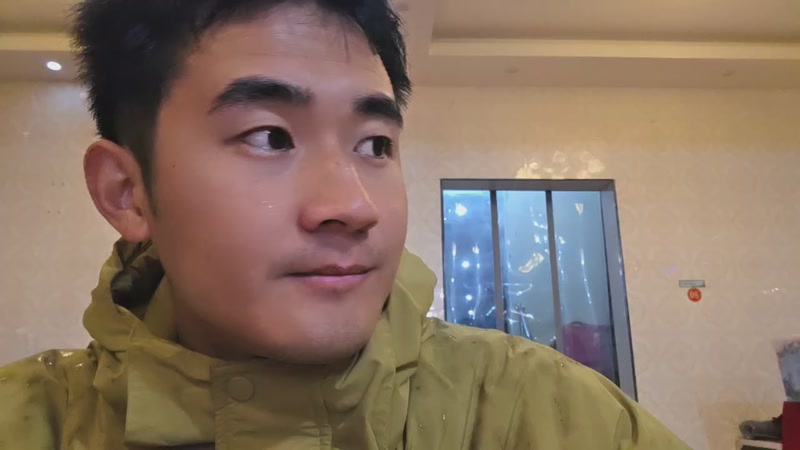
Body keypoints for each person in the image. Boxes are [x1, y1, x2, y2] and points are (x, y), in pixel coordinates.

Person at [0, 1, 691, 449]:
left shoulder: (537, 412)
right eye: (270, 137)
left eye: (375, 145)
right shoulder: (33, 421)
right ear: (126, 193)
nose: (354, 206)